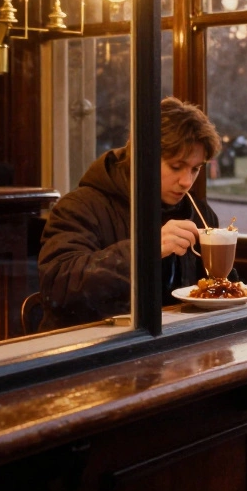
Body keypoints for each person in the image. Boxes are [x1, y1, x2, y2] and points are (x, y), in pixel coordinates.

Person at [37, 97, 222, 329]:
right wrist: (144, 250)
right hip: (92, 349)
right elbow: (57, 288)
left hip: (173, 344)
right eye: (176, 166)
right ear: (141, 156)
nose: (186, 182)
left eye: (195, 169)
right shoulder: (81, 206)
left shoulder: (199, 212)